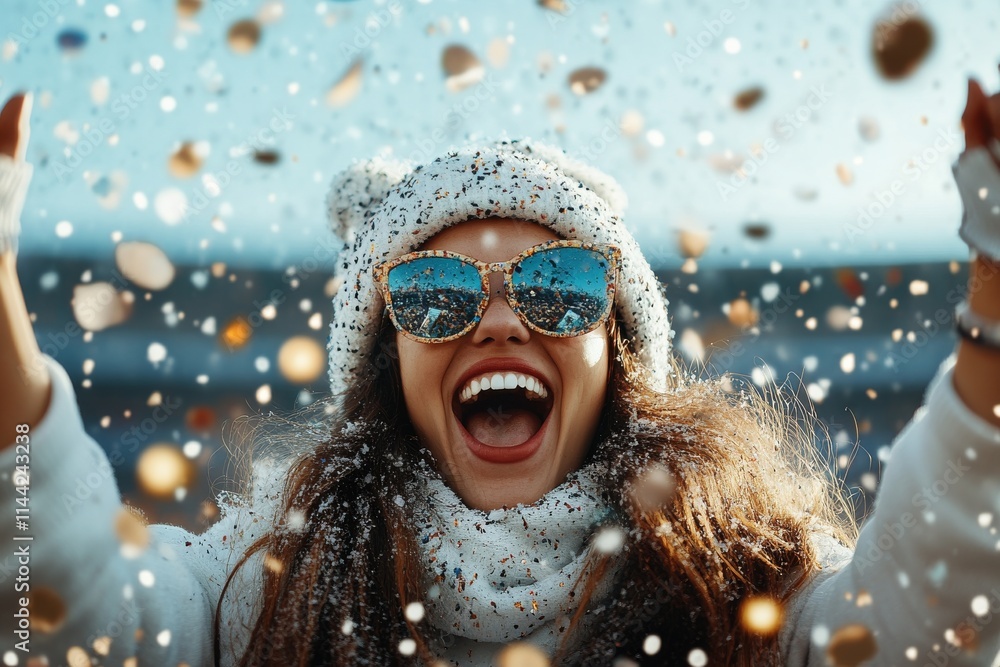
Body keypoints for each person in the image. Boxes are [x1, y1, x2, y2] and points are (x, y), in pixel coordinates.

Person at [0, 76, 999, 666]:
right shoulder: (273, 573)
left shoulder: (736, 571)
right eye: (434, 294)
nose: (496, 321)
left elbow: (923, 625)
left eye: (557, 285)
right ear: (390, 362)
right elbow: (75, 622)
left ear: (616, 348)